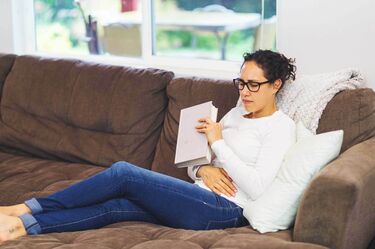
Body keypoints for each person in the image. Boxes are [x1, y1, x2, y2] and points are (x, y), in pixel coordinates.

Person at [0, 50, 297, 243]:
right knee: (116, 208)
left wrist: (218, 142)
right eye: (241, 82)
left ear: (276, 85)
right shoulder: (236, 114)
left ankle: (23, 208)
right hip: (199, 195)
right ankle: (24, 226)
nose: (245, 91)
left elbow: (257, 186)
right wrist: (202, 167)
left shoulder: (280, 128)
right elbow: (200, 163)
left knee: (123, 174)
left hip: (225, 210)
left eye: (254, 84)